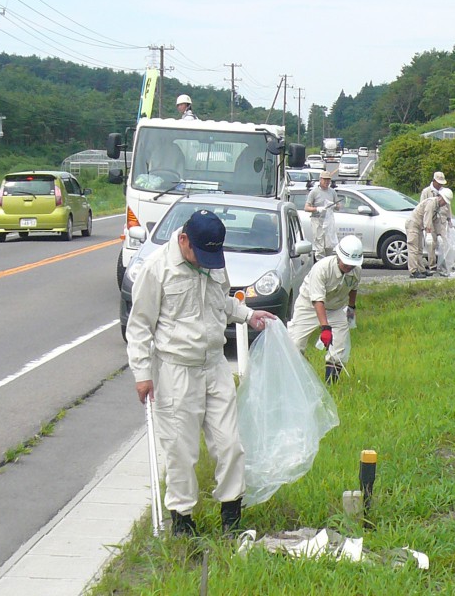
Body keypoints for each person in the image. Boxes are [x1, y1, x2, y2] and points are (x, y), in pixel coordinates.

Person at [126, 209, 277, 538]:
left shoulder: (211, 261)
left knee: (231, 444)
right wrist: (142, 373)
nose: (208, 262)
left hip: (215, 365)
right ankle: (182, 519)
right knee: (180, 449)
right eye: (202, 254)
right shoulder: (157, 270)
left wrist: (247, 314)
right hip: (177, 370)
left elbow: (220, 301)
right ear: (183, 240)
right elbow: (139, 327)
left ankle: (231, 516)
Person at [288, 235, 362, 384]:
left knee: (339, 346)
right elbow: (318, 300)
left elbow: (353, 288)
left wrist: (351, 309)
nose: (348, 267)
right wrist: (325, 328)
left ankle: (330, 385)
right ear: (338, 256)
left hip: (336, 308)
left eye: (351, 265)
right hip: (309, 306)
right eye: (346, 264)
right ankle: (300, 378)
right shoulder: (322, 268)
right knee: (294, 345)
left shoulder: (356, 271)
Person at [406, 187, 452, 279]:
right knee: (413, 248)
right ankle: (413, 271)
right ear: (441, 198)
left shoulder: (437, 206)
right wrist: (429, 233)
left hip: (419, 226)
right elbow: (427, 219)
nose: (445, 204)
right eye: (445, 201)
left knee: (419, 249)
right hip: (413, 224)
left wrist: (439, 234)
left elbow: (436, 221)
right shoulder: (431, 203)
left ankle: (421, 269)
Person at [304, 170, 340, 260]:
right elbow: (306, 207)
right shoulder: (314, 192)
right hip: (317, 220)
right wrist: (317, 209)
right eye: (325, 180)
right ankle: (320, 265)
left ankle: (327, 263)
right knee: (319, 246)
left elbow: (338, 206)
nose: (327, 182)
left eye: (328, 180)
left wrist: (334, 205)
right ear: (320, 179)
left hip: (328, 221)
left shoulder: (332, 192)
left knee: (329, 245)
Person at [420, 171, 451, 273]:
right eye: (439, 182)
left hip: (441, 219)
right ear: (434, 181)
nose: (440, 185)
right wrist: (426, 225)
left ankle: (445, 263)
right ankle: (432, 265)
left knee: (445, 241)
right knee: (431, 243)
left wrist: (449, 218)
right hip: (431, 220)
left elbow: (448, 205)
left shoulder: (444, 191)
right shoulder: (426, 192)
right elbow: (423, 207)